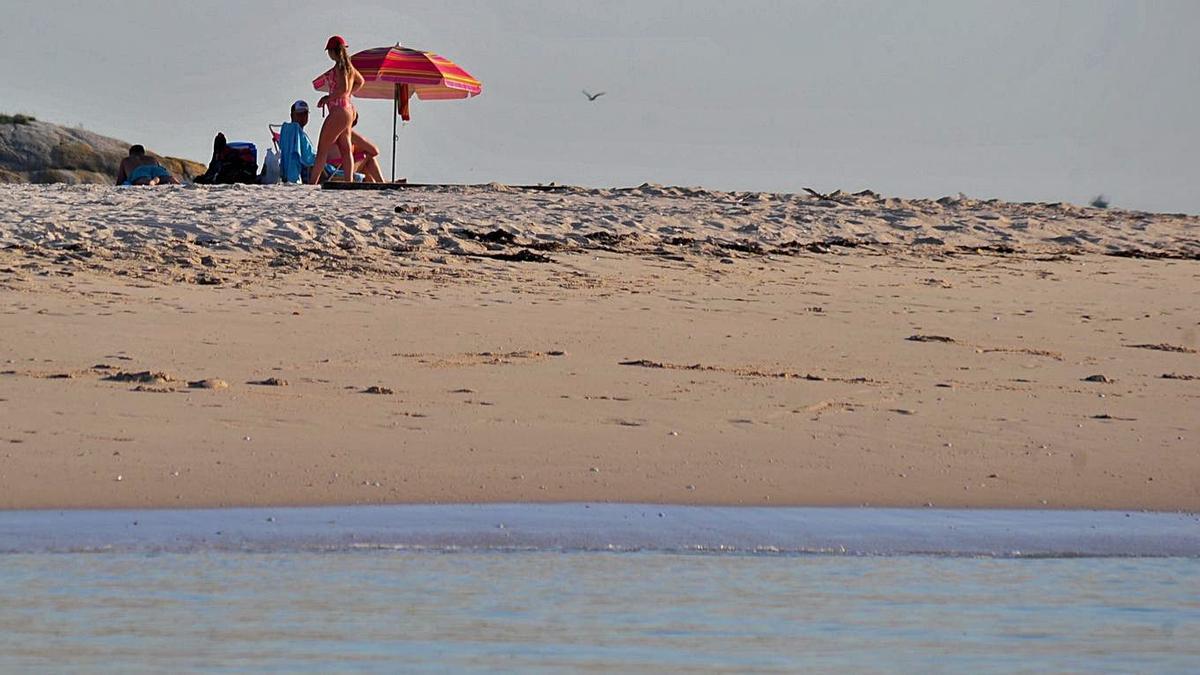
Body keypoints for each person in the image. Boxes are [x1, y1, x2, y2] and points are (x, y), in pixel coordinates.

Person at [308, 35, 364, 184]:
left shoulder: (340, 67)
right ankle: (349, 181)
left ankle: (312, 182)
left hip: (339, 110)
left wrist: (328, 98)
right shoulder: (349, 67)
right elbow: (360, 82)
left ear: (333, 51)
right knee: (345, 148)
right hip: (347, 109)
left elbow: (344, 88)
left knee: (323, 149)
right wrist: (349, 95)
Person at [278, 100, 316, 183]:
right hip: (303, 171)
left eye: (305, 114)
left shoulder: (290, 132)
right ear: (292, 115)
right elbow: (308, 158)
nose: (303, 117)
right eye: (299, 114)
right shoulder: (295, 131)